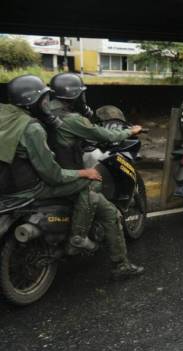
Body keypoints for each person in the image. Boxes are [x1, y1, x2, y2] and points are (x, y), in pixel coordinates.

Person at [0, 75, 143, 279]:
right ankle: (88, 242)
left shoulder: (12, 116)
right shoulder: (44, 124)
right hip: (34, 184)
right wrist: (83, 171)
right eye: (43, 98)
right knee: (99, 194)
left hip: (8, 183)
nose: (46, 102)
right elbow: (54, 174)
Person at [48, 72, 143, 170]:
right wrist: (130, 131)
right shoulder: (72, 119)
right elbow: (107, 136)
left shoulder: (46, 111)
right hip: (70, 171)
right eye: (82, 93)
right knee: (101, 179)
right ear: (74, 94)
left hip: (54, 164)